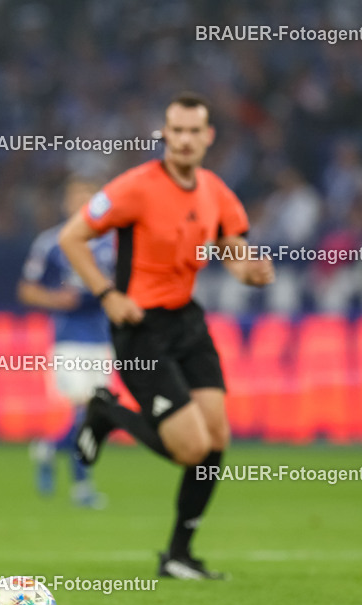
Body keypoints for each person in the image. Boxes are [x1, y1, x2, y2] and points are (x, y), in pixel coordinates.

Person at [58, 93, 274, 579]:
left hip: (187, 321)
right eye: (175, 130)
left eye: (193, 131)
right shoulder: (134, 187)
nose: (183, 140)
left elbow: (232, 243)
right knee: (191, 448)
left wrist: (248, 271)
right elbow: (72, 236)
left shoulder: (215, 190)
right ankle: (106, 410)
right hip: (141, 328)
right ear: (164, 134)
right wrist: (107, 293)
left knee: (217, 436)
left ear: (208, 136)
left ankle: (178, 554)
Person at [17, 177, 112, 509]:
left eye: (89, 197)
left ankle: (48, 449)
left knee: (97, 416)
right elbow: (27, 289)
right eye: (76, 197)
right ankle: (82, 487)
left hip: (102, 339)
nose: (82, 203)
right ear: (66, 203)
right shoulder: (51, 243)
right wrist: (61, 300)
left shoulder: (111, 242)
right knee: (84, 415)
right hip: (70, 340)